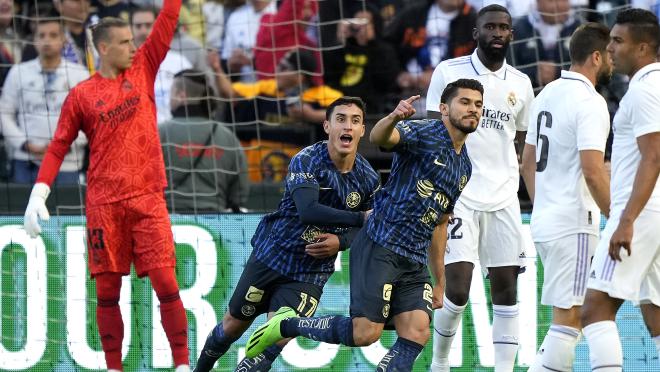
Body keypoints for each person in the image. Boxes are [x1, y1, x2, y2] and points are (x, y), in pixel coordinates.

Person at [244, 79, 483, 371]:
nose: (473, 109)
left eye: (478, 104)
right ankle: (286, 326)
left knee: (418, 330)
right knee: (365, 333)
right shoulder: (425, 132)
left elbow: (441, 224)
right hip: (381, 244)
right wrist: (395, 116)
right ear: (445, 109)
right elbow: (382, 138)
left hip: (415, 257)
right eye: (465, 102)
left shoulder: (465, 167)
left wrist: (440, 281)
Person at [21, 1, 191, 370]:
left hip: (148, 197)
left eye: (134, 40)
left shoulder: (145, 67)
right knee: (107, 292)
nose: (135, 46)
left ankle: (182, 364)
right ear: (104, 48)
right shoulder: (81, 94)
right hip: (103, 203)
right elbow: (59, 145)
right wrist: (39, 192)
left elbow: (168, 18)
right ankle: (113, 366)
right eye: (126, 42)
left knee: (166, 281)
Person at [193, 96, 380, 372]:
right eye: (341, 119)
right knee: (232, 326)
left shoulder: (368, 179)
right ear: (327, 126)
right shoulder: (306, 160)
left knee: (271, 343)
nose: (348, 127)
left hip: (310, 273)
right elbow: (308, 210)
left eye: (355, 121)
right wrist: (359, 217)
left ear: (363, 130)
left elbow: (369, 228)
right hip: (273, 256)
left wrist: (341, 241)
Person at [425, 5, 535, 372]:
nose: (497, 33)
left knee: (506, 289)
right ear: (476, 33)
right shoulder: (449, 71)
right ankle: (439, 363)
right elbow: (431, 131)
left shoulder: (520, 83)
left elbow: (519, 141)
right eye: (490, 26)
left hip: (503, 197)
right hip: (459, 196)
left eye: (504, 27)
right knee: (456, 289)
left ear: (512, 34)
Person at [520, 22, 612, 372]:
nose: (613, 64)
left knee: (575, 315)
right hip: (574, 222)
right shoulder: (590, 101)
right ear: (596, 56)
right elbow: (592, 170)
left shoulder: (546, 93)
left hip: (546, 221)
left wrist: (544, 204)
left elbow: (526, 162)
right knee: (570, 317)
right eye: (610, 57)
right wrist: (616, 217)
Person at [581, 8, 660, 371]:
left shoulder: (644, 91)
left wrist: (626, 220)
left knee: (596, 307)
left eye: (617, 41)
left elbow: (654, 155)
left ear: (643, 48)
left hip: (640, 213)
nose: (609, 48)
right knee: (656, 310)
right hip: (655, 213)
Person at [0, 17, 89, 184]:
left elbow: (90, 121)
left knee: (66, 210)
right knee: (22, 210)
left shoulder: (80, 74)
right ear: (34, 40)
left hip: (67, 163)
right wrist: (25, 144)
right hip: (25, 161)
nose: (47, 40)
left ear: (63, 40)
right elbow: (4, 114)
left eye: (53, 35)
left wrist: (64, 146)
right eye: (41, 35)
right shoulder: (18, 72)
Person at [159, 69, 249, 213]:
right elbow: (239, 192)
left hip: (167, 219)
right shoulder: (227, 136)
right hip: (215, 221)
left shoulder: (158, 133)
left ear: (180, 95)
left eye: (170, 95)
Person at [130, 7, 192, 124]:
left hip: (176, 130)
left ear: (157, 27)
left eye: (148, 25)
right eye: (138, 26)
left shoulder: (179, 61)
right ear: (131, 29)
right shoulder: (123, 66)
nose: (143, 31)